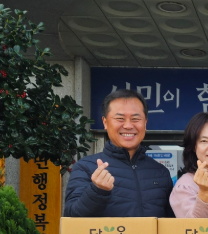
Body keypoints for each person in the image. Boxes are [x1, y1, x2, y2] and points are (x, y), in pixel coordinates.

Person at [64, 88, 173, 217]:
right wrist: (97, 190)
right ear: (105, 122)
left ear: (145, 123)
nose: (128, 126)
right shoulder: (86, 167)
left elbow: (171, 223)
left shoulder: (160, 172)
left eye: (135, 119)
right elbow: (71, 216)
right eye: (120, 118)